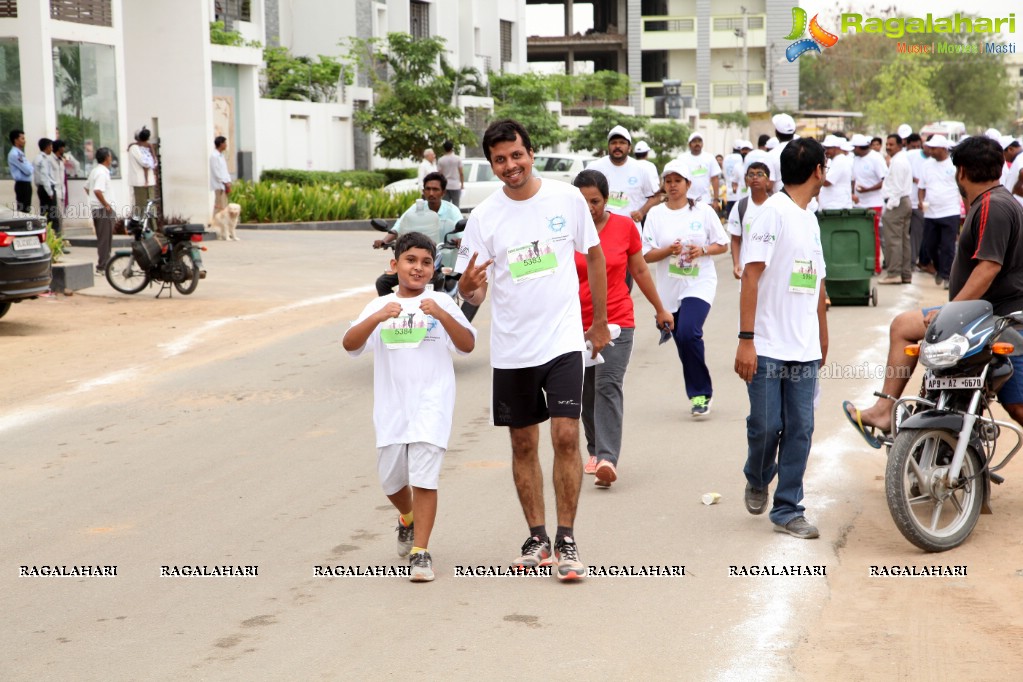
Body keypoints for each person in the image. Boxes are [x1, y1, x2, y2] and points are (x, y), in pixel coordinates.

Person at [455, 119, 611, 581]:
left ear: (531, 153)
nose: (510, 166)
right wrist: (466, 288)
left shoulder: (565, 198)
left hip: (563, 340)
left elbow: (596, 255)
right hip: (512, 349)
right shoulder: (484, 217)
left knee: (565, 436)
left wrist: (599, 321)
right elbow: (474, 291)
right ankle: (536, 536)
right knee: (523, 442)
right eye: (500, 160)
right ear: (491, 164)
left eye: (516, 155)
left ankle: (567, 538)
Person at [843, 135, 1023, 444]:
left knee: (1017, 406)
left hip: (996, 318)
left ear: (961, 172)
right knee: (903, 326)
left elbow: (988, 267)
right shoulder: (998, 200)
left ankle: (887, 410)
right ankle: (886, 409)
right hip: (985, 312)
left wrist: (950, 312)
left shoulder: (992, 206)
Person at [343, 231, 477, 582]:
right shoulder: (379, 306)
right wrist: (376, 318)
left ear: (434, 269)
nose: (418, 268)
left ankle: (421, 553)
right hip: (392, 406)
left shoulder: (443, 304)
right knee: (391, 480)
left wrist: (443, 315)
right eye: (410, 260)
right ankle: (407, 516)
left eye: (426, 262)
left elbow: (467, 345)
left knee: (424, 476)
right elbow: (350, 344)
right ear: (395, 264)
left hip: (432, 401)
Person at [735, 137, 829, 540]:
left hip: (804, 346)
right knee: (765, 425)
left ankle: (788, 508)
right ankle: (757, 475)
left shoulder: (810, 217)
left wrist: (823, 334)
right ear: (819, 171)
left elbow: (818, 282)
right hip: (768, 344)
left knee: (800, 428)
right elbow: (751, 276)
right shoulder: (771, 214)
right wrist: (746, 339)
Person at [572, 169, 674, 488]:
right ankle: (594, 447)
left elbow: (640, 269)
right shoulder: (563, 231)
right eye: (583, 201)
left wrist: (660, 308)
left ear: (606, 199)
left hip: (617, 319)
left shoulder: (624, 226)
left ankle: (607, 458)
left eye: (596, 201)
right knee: (584, 389)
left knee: (607, 384)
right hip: (575, 322)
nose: (589, 208)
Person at [643, 160, 729, 417]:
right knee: (682, 339)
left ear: (688, 184)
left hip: (699, 282)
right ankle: (698, 389)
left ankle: (700, 394)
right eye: (668, 181)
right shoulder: (657, 215)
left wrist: (702, 250)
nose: (672, 186)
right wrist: (668, 250)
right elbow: (646, 255)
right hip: (669, 288)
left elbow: (721, 244)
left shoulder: (702, 211)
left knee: (689, 333)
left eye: (677, 181)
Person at [373, 172, 462, 296]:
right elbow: (398, 226)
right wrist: (385, 240)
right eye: (428, 189)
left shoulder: (452, 210)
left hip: (440, 260)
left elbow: (462, 232)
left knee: (465, 283)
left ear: (443, 192)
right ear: (423, 191)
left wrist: (460, 240)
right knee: (382, 282)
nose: (431, 193)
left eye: (435, 189)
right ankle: (396, 312)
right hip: (414, 259)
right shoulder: (416, 208)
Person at [587, 125, 660, 232]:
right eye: (614, 142)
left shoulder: (641, 169)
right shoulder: (594, 167)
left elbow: (656, 196)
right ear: (608, 146)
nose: (617, 146)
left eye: (622, 142)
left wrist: (641, 212)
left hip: (631, 230)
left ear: (629, 147)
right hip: (600, 230)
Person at [917, 134, 959, 288]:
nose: (930, 151)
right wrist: (921, 201)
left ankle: (947, 276)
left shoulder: (954, 165)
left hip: (950, 211)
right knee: (930, 246)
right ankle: (939, 268)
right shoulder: (926, 165)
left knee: (948, 246)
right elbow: (921, 188)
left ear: (943, 149)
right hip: (931, 213)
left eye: (934, 148)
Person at [879, 133, 913, 285]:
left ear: (900, 145)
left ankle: (894, 273)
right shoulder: (899, 159)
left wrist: (890, 205)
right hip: (903, 201)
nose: (888, 147)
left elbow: (897, 188)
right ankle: (905, 274)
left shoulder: (898, 162)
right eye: (887, 144)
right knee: (903, 240)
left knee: (893, 240)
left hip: (897, 202)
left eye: (891, 144)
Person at [728, 161, 772, 280]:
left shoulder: (776, 206)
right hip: (747, 271)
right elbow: (735, 240)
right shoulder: (740, 206)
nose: (755, 178)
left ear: (768, 181)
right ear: (746, 181)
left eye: (759, 174)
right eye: (751, 175)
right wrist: (737, 264)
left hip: (771, 271)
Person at [85, 147, 115, 275]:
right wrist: (106, 205)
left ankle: (106, 266)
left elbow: (87, 188)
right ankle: (103, 267)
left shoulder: (95, 171)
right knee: (105, 240)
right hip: (103, 210)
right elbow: (97, 190)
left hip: (97, 209)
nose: (111, 158)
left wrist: (94, 201)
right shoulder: (102, 173)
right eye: (110, 156)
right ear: (107, 158)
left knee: (104, 239)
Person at [678, 132, 722, 212]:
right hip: (686, 200)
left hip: (705, 200)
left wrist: (716, 199)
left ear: (702, 144)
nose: (697, 144)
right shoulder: (682, 159)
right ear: (689, 144)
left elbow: (715, 179)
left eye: (699, 141)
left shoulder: (709, 158)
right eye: (694, 141)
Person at [127, 127, 157, 216]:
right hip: (140, 182)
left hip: (146, 182)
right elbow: (145, 162)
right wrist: (152, 162)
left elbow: (152, 162)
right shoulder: (135, 148)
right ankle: (141, 226)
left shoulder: (141, 146)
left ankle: (150, 226)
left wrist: (151, 162)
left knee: (150, 206)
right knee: (141, 205)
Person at [818, 136, 853, 211]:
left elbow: (826, 182)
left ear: (837, 148)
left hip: (837, 207)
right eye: (825, 148)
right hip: (833, 206)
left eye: (828, 148)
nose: (826, 151)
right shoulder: (835, 160)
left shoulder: (840, 161)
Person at [209, 136, 234, 239]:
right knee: (220, 208)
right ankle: (217, 229)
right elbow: (216, 172)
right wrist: (224, 182)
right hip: (219, 185)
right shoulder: (214, 156)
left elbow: (224, 170)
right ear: (220, 144)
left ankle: (224, 231)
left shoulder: (221, 155)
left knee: (224, 207)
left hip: (224, 184)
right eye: (225, 143)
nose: (226, 145)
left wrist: (228, 181)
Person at [765, 113, 797, 193]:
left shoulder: (770, 156)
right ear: (794, 132)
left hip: (781, 201)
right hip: (806, 203)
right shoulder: (805, 151)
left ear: (776, 133)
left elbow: (769, 186)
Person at [33, 138, 58, 232]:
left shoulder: (37, 158)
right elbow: (44, 176)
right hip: (47, 189)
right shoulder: (44, 159)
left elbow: (36, 176)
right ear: (47, 147)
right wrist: (50, 192)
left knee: (44, 213)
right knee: (52, 215)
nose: (51, 149)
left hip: (41, 188)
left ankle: (45, 234)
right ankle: (54, 237)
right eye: (51, 146)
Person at [7, 129, 32, 213]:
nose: (24, 141)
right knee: (23, 211)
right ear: (16, 140)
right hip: (22, 185)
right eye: (22, 138)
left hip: (26, 185)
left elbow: (29, 168)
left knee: (26, 210)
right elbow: (28, 170)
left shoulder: (20, 153)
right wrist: (30, 167)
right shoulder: (15, 154)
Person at [437, 140, 464, 207]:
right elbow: (461, 173)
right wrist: (462, 184)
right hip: (455, 185)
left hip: (445, 186)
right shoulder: (457, 159)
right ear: (452, 148)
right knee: (456, 206)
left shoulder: (441, 160)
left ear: (444, 148)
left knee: (445, 206)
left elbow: (439, 174)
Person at [51, 140, 68, 230]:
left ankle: (61, 237)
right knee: (57, 215)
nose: (64, 149)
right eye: (62, 147)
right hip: (55, 191)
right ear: (59, 148)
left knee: (61, 216)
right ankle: (57, 237)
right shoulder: (50, 160)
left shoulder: (61, 161)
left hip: (62, 191)